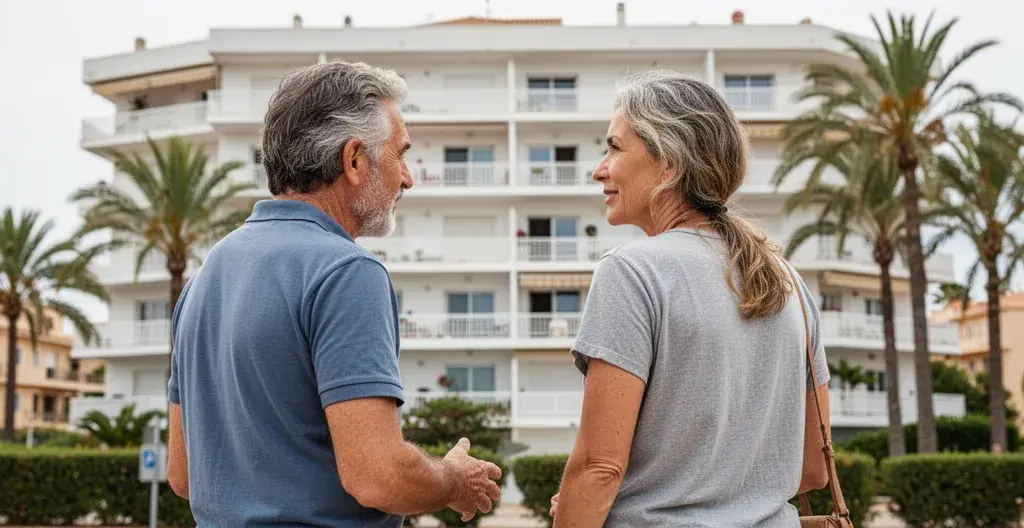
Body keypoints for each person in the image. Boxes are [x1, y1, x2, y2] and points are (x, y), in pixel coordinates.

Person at [165, 60, 502, 527]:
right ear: (354, 160)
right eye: (400, 155)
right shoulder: (347, 272)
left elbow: (183, 474)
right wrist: (453, 480)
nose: (407, 178)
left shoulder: (202, 281)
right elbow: (379, 477)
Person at [548, 70, 831, 527]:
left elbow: (600, 469)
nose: (599, 169)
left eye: (615, 148)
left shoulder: (632, 272)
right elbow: (813, 467)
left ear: (669, 164)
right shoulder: (788, 283)